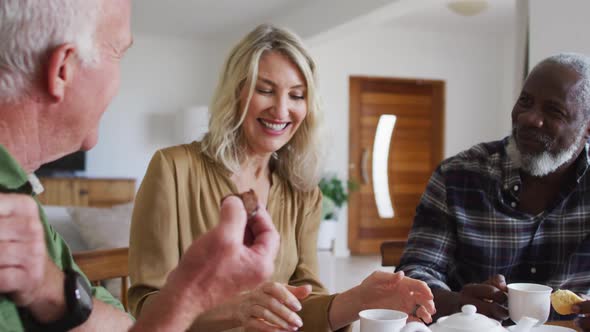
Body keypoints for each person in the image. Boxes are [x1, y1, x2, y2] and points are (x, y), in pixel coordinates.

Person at [128, 23, 436, 332]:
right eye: (265, 90)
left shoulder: (303, 192)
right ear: (236, 92)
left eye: (297, 95)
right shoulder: (172, 168)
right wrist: (240, 310)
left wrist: (358, 300)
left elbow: (305, 303)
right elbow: (147, 305)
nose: (281, 109)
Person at [0, 1, 279, 331]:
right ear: (64, 68)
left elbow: (126, 326)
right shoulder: (174, 164)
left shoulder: (26, 206)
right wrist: (192, 292)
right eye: (119, 53)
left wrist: (53, 292)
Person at [396, 52, 590, 330]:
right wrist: (457, 302)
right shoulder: (459, 175)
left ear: (587, 127)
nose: (529, 118)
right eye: (525, 101)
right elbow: (416, 272)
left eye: (553, 111)